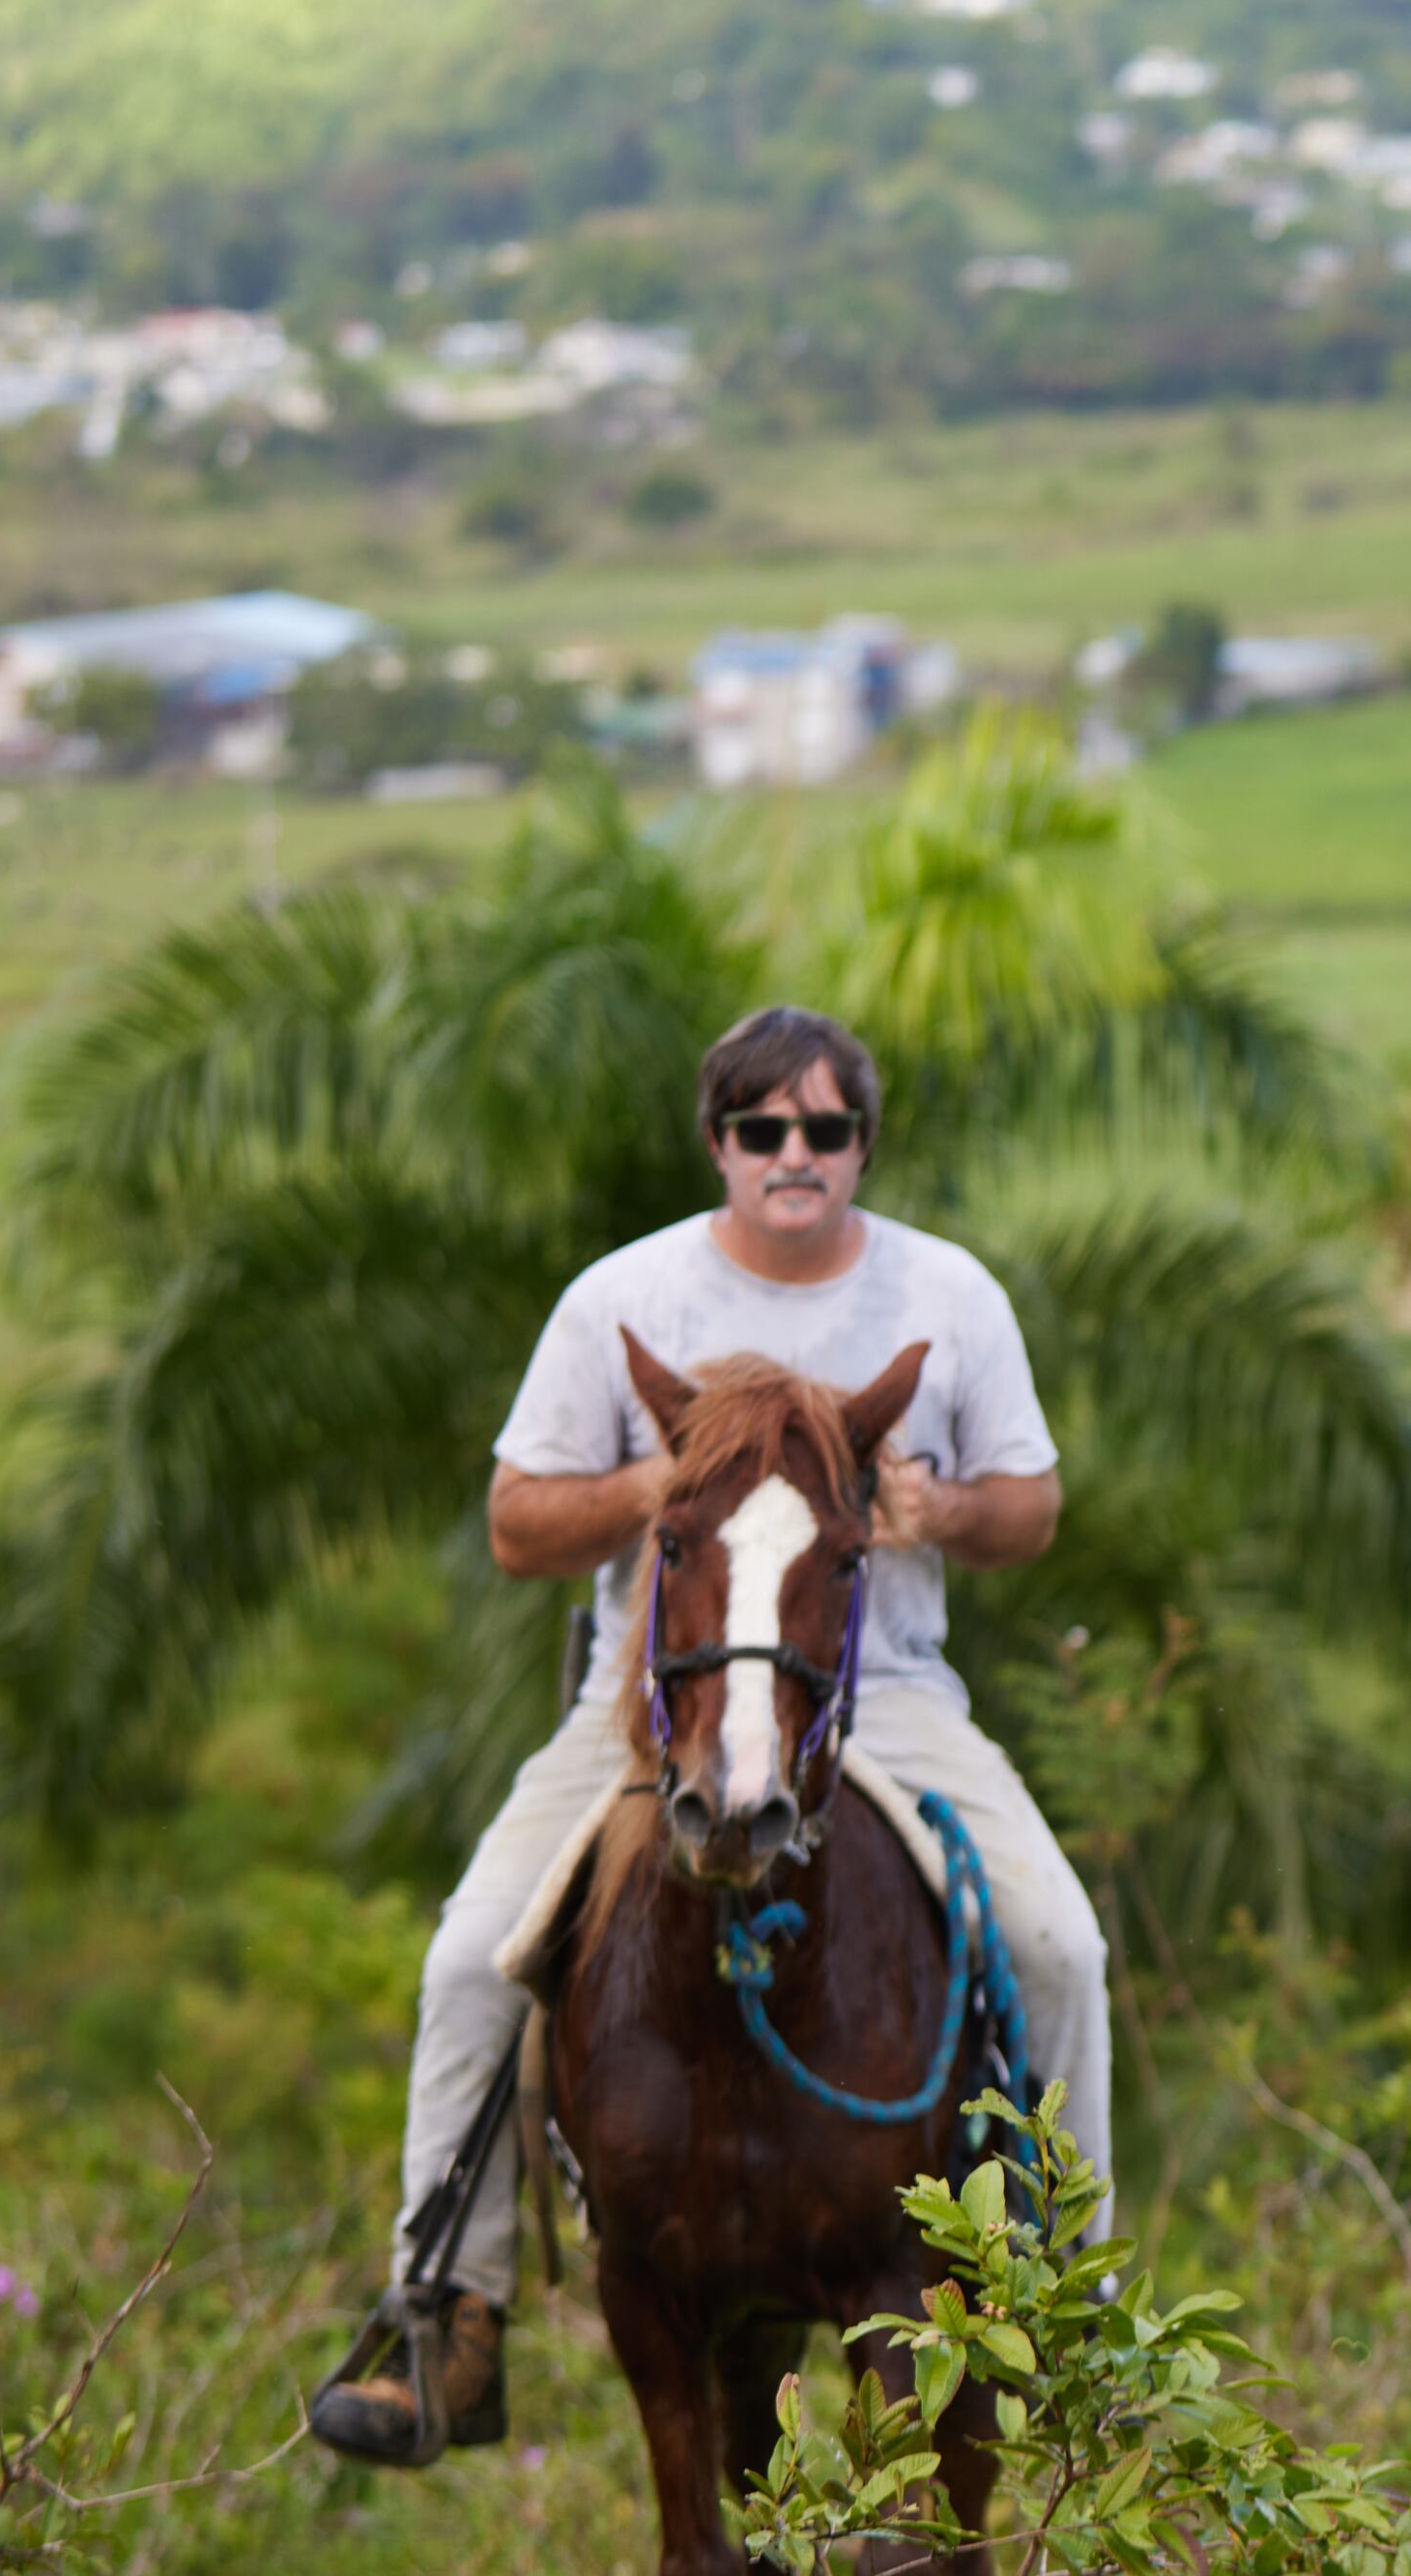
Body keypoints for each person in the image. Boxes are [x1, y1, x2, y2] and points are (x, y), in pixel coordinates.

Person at [304, 1005, 1120, 2465]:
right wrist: (657, 1488)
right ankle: (451, 2314)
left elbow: (1034, 1507)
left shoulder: (949, 1294)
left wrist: (940, 1512)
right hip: (654, 1703)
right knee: (466, 1959)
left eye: (824, 1130)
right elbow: (515, 1521)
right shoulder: (626, 1297)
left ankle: (1071, 2304)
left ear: (862, 1144)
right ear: (719, 1145)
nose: (793, 1155)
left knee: (1060, 1947)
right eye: (762, 1129)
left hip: (890, 1697)